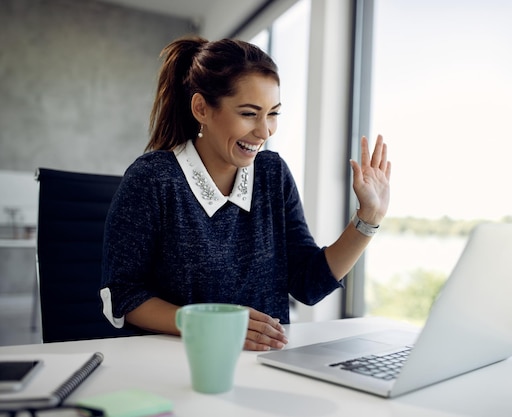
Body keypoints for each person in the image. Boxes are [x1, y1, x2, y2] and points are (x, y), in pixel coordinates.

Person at [100, 36, 391, 351]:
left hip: (267, 365)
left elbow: (308, 284)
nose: (265, 131)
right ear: (201, 108)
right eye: (249, 113)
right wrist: (207, 323)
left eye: (273, 113)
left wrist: (368, 218)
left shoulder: (272, 173)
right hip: (183, 365)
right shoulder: (153, 179)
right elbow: (124, 296)